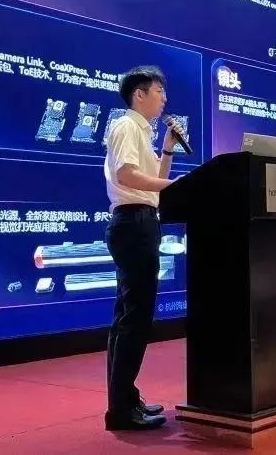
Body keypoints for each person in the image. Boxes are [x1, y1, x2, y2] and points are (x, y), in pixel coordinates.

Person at [103, 66, 181, 431]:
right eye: (159, 91)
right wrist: (176, 185)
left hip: (142, 221)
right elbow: (127, 176)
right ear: (139, 94)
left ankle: (124, 399)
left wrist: (168, 148)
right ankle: (121, 409)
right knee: (133, 319)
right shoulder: (126, 126)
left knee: (131, 318)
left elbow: (152, 181)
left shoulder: (143, 132)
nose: (164, 98)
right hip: (133, 223)